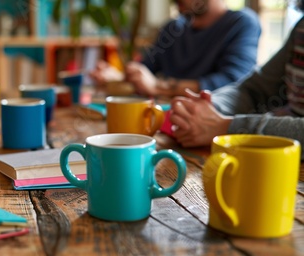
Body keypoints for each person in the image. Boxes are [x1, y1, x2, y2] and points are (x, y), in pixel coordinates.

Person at [169, 15, 304, 158]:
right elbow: (254, 89)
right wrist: (208, 109)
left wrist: (224, 127)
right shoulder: (301, 28)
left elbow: (230, 76)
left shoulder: (242, 22)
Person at [91, 0, 261, 97]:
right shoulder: (173, 28)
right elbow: (145, 70)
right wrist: (118, 77)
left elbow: (234, 82)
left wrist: (158, 87)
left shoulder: (242, 23)